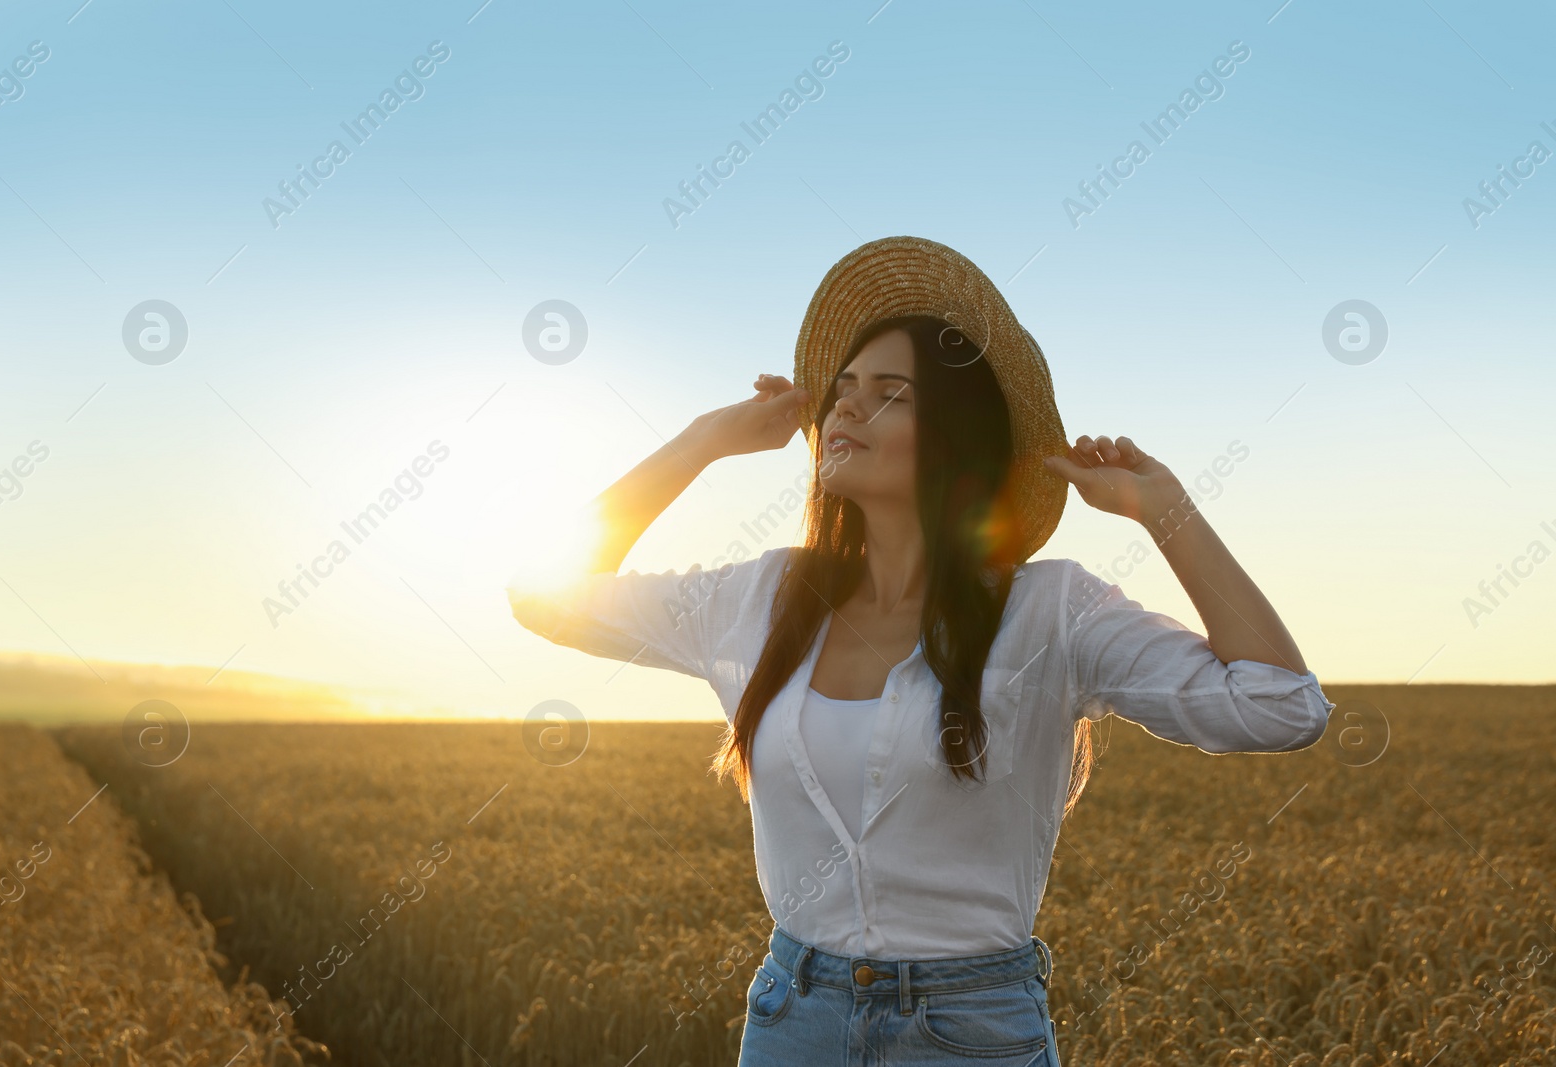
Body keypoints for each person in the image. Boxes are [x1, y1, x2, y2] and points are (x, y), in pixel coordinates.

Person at [506, 236, 1333, 1065]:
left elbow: (1280, 705)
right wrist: (703, 439)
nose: (845, 410)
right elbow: (544, 594)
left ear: (953, 438)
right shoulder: (760, 598)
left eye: (889, 395)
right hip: (792, 1019)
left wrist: (1169, 512)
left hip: (970, 1031)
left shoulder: (1053, 609)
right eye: (843, 391)